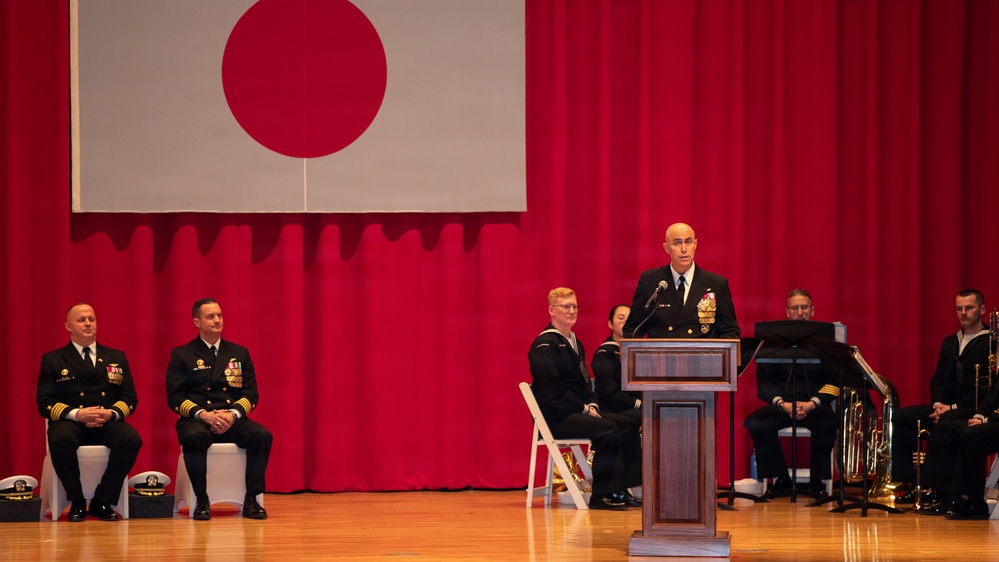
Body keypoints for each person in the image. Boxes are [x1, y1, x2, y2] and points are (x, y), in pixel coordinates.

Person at [529, 288, 642, 510]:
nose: (571, 311)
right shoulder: (544, 346)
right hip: (555, 418)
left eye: (574, 306)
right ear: (552, 310)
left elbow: (584, 384)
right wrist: (583, 409)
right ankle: (602, 494)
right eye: (566, 307)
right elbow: (553, 393)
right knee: (608, 429)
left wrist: (591, 404)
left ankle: (621, 489)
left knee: (627, 424)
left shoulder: (574, 343)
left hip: (574, 412)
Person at [166, 298, 272, 520]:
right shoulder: (182, 354)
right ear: (197, 321)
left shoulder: (239, 353)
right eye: (210, 316)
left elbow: (251, 394)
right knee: (194, 436)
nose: (217, 320)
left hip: (230, 417)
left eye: (219, 315)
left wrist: (232, 415)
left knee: (261, 435)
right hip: (197, 418)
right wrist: (203, 415)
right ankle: (201, 499)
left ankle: (251, 499)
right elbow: (175, 397)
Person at [35, 303, 142, 522]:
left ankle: (102, 500)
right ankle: (75, 501)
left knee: (131, 440)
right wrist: (77, 414)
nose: (87, 323)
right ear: (68, 326)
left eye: (91, 319)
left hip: (106, 421)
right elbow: (44, 402)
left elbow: (130, 399)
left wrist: (111, 413)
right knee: (59, 439)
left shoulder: (116, 357)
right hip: (71, 422)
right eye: (81, 320)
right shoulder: (54, 359)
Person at [891, 289, 990, 503]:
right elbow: (938, 380)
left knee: (945, 422)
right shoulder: (950, 342)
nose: (963, 313)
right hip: (944, 407)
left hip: (973, 408)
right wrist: (938, 404)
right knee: (901, 417)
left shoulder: (990, 342)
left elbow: (983, 389)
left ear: (981, 310)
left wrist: (951, 408)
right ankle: (912, 483)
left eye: (969, 308)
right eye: (959, 308)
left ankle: (937, 488)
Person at [743, 289, 838, 498]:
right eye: (795, 308)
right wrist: (781, 404)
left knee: (828, 422)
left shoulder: (826, 344)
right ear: (787, 313)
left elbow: (835, 381)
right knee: (757, 422)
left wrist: (813, 403)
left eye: (804, 307)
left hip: (814, 406)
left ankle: (817, 482)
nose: (800, 312)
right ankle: (781, 479)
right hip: (782, 405)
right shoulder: (772, 343)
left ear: (812, 311)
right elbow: (764, 382)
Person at [622, 222, 739, 340]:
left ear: (695, 244)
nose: (684, 249)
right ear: (667, 248)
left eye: (688, 242)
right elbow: (633, 329)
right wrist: (646, 356)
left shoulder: (716, 284)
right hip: (661, 356)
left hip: (702, 357)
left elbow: (729, 332)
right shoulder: (651, 281)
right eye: (677, 243)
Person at [592, 304, 641, 424]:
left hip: (632, 405)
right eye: (620, 318)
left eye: (629, 318)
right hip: (613, 408)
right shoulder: (605, 353)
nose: (625, 321)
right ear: (610, 324)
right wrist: (639, 403)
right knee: (650, 416)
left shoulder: (638, 352)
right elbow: (610, 392)